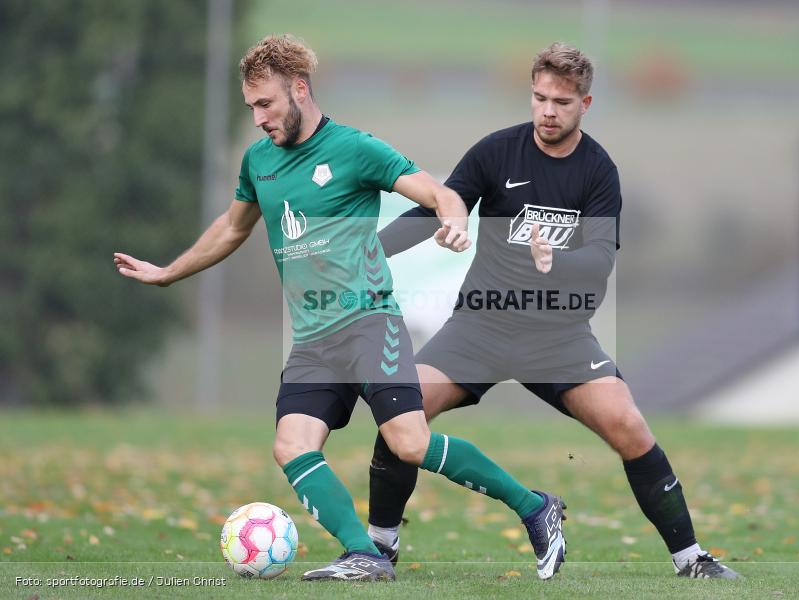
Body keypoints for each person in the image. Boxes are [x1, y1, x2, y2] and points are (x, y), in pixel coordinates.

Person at [113, 34, 566, 582]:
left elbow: (437, 192)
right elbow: (233, 227)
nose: (258, 118)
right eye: (251, 106)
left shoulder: (355, 149)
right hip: (312, 339)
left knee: (409, 442)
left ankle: (534, 507)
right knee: (291, 445)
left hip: (369, 323)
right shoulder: (258, 162)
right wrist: (168, 272)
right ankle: (365, 555)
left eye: (266, 104)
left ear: (300, 90)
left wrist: (452, 219)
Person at [367, 42, 741, 580]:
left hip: (557, 335)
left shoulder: (598, 171)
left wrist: (555, 262)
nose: (547, 111)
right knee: (402, 411)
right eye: (539, 98)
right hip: (482, 324)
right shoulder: (497, 152)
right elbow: (439, 208)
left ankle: (692, 559)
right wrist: (372, 251)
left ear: (584, 103)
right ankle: (379, 548)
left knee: (629, 426)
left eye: (561, 102)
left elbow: (599, 261)